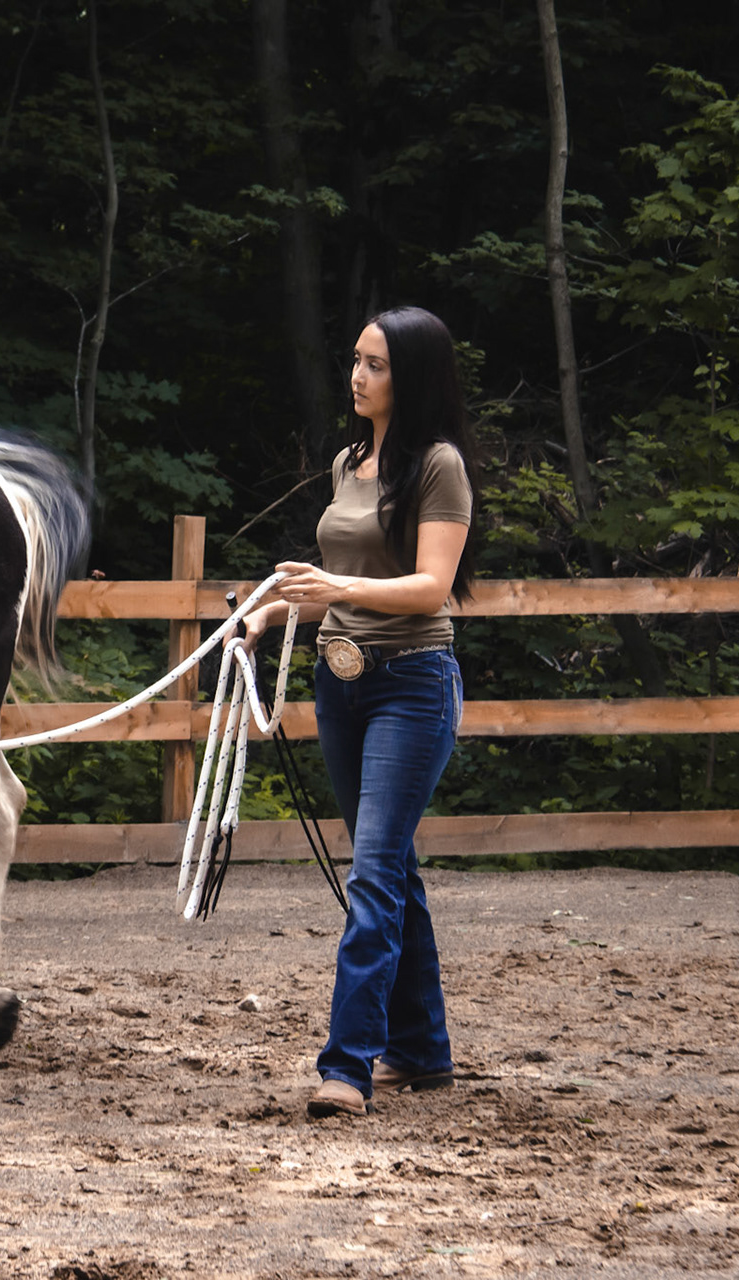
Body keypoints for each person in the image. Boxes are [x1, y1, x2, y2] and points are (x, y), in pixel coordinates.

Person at [242, 305, 478, 1118]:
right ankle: (425, 1051)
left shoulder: (439, 466)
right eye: (355, 360)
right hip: (338, 682)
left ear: (409, 376)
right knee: (393, 869)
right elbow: (338, 577)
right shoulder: (349, 460)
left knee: (373, 871)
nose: (357, 376)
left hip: (411, 683)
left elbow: (429, 587)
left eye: (375, 365)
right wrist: (272, 613)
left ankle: (348, 1063)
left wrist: (333, 588)